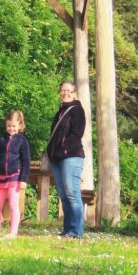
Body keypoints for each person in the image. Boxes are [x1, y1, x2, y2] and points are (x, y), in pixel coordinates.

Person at [46, 81, 86, 239]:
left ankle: (76, 231)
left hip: (71, 156)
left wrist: (64, 148)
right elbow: (53, 136)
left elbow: (77, 133)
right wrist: (51, 153)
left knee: (72, 193)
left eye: (69, 90)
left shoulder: (77, 110)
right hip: (56, 159)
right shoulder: (60, 112)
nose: (65, 93)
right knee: (63, 195)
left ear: (75, 93)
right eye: (63, 90)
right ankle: (67, 230)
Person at [0, 110, 31, 239]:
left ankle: (13, 233)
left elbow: (26, 161)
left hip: (15, 177)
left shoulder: (22, 141)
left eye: (13, 126)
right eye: (8, 126)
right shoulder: (1, 140)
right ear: (6, 125)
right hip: (0, 178)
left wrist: (23, 179)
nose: (11, 128)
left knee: (13, 204)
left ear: (19, 125)